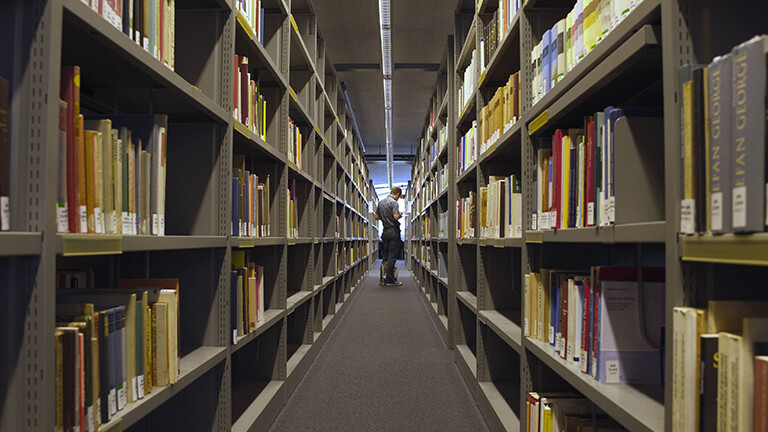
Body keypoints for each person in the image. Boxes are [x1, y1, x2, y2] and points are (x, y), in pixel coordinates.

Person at [375, 186, 405, 286]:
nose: (398, 198)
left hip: (385, 231)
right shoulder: (394, 202)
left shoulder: (381, 202)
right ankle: (390, 280)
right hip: (393, 231)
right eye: (399, 196)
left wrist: (385, 217)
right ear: (397, 194)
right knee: (392, 256)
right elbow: (395, 217)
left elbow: (376, 217)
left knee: (385, 256)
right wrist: (400, 214)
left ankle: (382, 279)